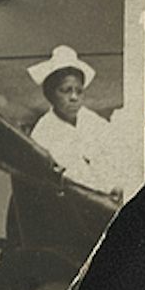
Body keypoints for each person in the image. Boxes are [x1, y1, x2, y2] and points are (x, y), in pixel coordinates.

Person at [26, 46, 126, 198]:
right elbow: (65, 180)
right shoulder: (43, 134)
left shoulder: (92, 121)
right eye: (66, 90)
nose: (74, 97)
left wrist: (116, 184)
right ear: (50, 94)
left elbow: (116, 154)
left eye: (79, 91)